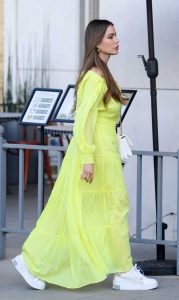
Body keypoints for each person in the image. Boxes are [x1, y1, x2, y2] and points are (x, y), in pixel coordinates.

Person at [12, 19, 158, 291]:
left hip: (102, 154)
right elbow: (83, 121)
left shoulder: (101, 74)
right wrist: (88, 160)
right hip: (95, 155)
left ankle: (120, 269)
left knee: (85, 212)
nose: (117, 40)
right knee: (106, 210)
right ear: (97, 42)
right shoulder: (95, 77)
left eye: (116, 35)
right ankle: (122, 271)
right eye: (111, 36)